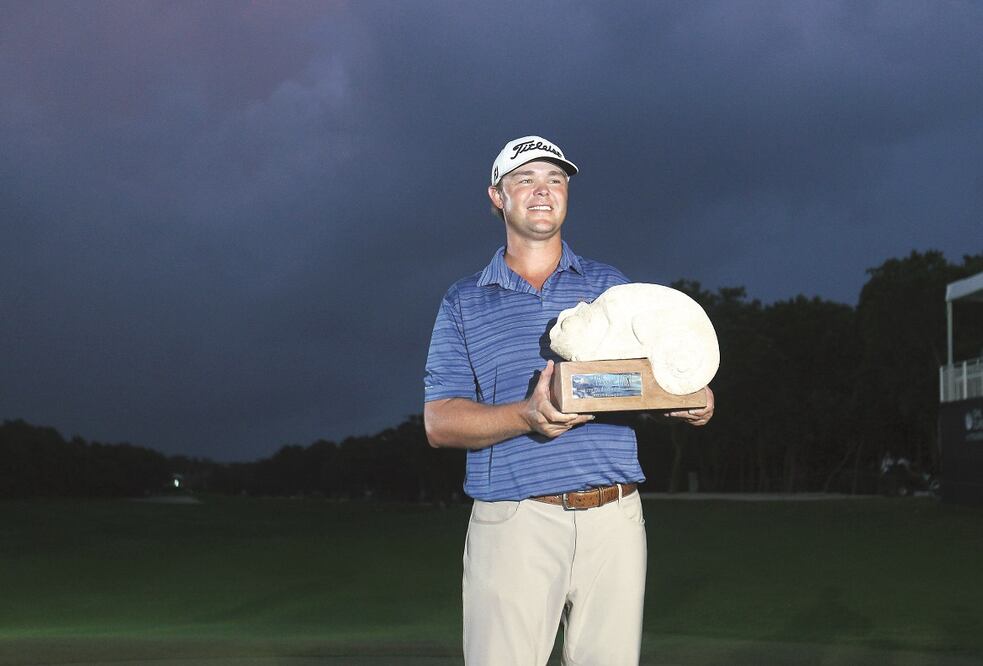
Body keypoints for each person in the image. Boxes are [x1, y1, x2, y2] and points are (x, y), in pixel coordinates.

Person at [423, 135, 714, 666]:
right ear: (497, 197)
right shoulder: (464, 300)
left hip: (616, 519)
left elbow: (644, 384)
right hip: (516, 521)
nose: (543, 190)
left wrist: (690, 391)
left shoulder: (611, 287)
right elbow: (440, 422)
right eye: (525, 180)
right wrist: (525, 416)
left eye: (555, 179)